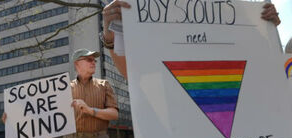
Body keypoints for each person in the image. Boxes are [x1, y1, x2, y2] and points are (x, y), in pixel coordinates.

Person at [101, 0, 281, 79]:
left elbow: (263, 65)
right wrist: (110, 36)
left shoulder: (228, 9)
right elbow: (131, 75)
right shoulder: (143, 13)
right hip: (177, 121)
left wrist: (268, 29)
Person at [3, 49, 119, 138]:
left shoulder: (104, 85)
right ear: (77, 64)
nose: (93, 62)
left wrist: (91, 110)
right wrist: (14, 119)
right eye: (89, 59)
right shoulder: (63, 88)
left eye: (94, 60)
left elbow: (114, 114)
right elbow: (42, 113)